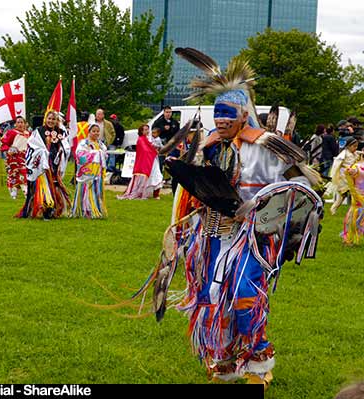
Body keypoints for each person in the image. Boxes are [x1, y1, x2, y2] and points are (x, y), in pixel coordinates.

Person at [153, 48, 322, 386]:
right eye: (218, 116)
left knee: (244, 292)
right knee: (212, 297)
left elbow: (302, 185)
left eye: (228, 115)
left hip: (254, 237)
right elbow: (191, 189)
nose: (222, 122)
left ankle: (258, 360)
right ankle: (225, 362)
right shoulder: (209, 144)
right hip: (213, 233)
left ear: (243, 115)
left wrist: (263, 204)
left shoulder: (268, 147)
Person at [17, 110, 71, 219]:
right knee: (43, 187)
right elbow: (32, 145)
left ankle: (53, 210)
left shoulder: (60, 132)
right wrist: (43, 152)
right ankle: (41, 209)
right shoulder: (38, 131)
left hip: (54, 164)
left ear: (57, 121)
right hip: (42, 166)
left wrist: (61, 151)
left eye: (53, 119)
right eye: (49, 118)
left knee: (54, 186)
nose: (51, 121)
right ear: (45, 119)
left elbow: (66, 146)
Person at [70, 123, 108, 218]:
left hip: (97, 172)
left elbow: (105, 155)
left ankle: (95, 209)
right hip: (86, 173)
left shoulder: (100, 144)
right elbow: (79, 156)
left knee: (96, 190)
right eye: (93, 131)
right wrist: (94, 154)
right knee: (85, 190)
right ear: (89, 132)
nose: (96, 133)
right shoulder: (84, 143)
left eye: (98, 131)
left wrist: (100, 154)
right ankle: (84, 210)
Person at [117, 124, 163, 200]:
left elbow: (151, 147)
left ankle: (156, 194)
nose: (147, 131)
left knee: (157, 176)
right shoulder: (141, 139)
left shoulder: (148, 138)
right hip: (146, 161)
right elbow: (145, 150)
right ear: (141, 131)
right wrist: (154, 151)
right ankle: (145, 193)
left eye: (148, 129)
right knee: (154, 176)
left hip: (152, 161)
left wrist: (155, 149)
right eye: (145, 130)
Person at [0, 116, 30, 199]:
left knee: (24, 173)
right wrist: (9, 149)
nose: (20, 124)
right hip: (13, 158)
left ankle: (26, 191)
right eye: (18, 122)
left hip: (25, 157)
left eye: (22, 122)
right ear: (15, 124)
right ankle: (13, 192)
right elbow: (2, 143)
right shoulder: (11, 133)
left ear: (25, 124)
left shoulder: (28, 134)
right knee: (14, 175)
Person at [328, 136, 360, 215]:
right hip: (344, 178)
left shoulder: (355, 154)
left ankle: (334, 208)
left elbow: (358, 156)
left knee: (344, 195)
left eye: (357, 146)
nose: (355, 148)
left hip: (351, 177)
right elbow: (337, 163)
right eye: (354, 146)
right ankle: (335, 208)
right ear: (348, 146)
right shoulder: (344, 154)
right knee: (347, 194)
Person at [342, 153, 364, 245]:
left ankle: (351, 237)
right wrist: (351, 171)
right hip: (358, 196)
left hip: (359, 194)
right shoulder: (358, 166)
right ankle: (349, 238)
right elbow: (354, 172)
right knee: (354, 216)